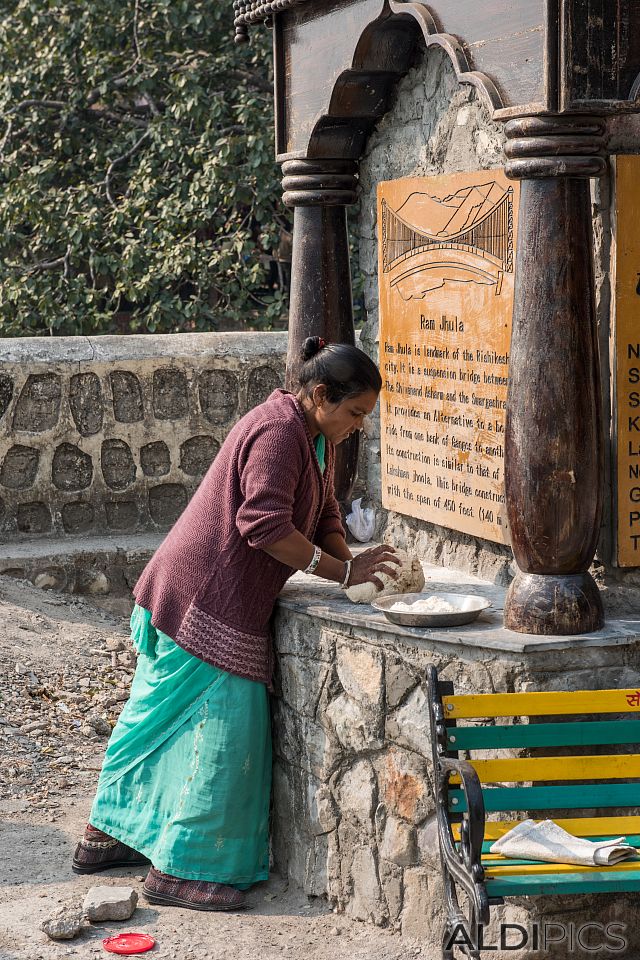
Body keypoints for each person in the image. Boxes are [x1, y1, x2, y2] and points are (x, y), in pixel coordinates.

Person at [72, 336, 398, 912]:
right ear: (321, 395)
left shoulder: (312, 435)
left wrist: (349, 563)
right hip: (202, 597)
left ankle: (114, 836)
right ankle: (181, 869)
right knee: (223, 735)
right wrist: (341, 574)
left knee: (158, 723)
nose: (359, 426)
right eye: (355, 413)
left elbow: (321, 510)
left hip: (213, 597)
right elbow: (264, 524)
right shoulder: (277, 432)